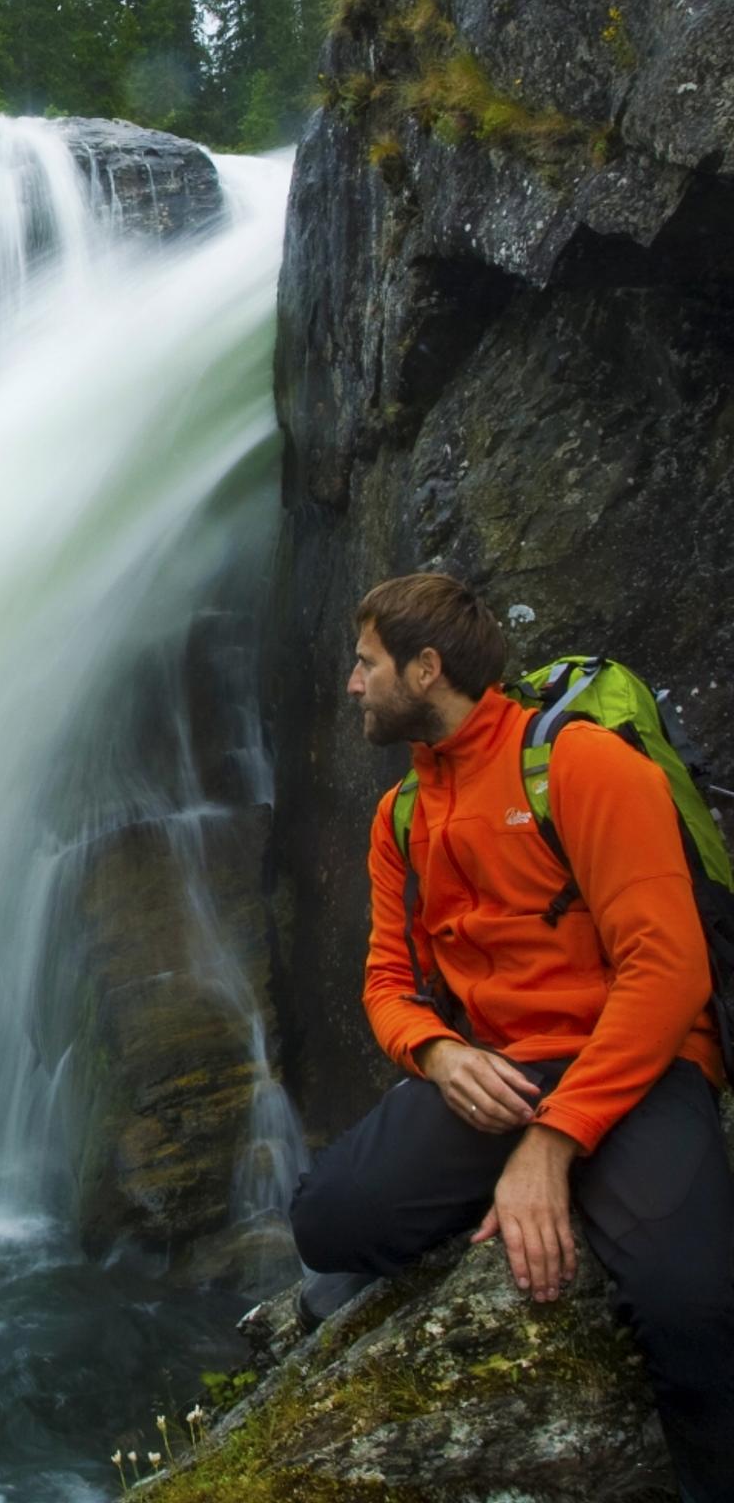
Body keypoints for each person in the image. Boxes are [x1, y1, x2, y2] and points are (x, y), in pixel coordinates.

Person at [288, 572, 734, 1502]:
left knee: (692, 1308)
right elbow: (385, 982)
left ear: (427, 667)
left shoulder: (580, 765)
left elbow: (669, 973)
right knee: (328, 1218)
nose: (351, 685)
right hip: (499, 1069)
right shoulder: (401, 816)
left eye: (365, 663)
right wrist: (440, 1054)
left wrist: (552, 1146)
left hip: (640, 1062)